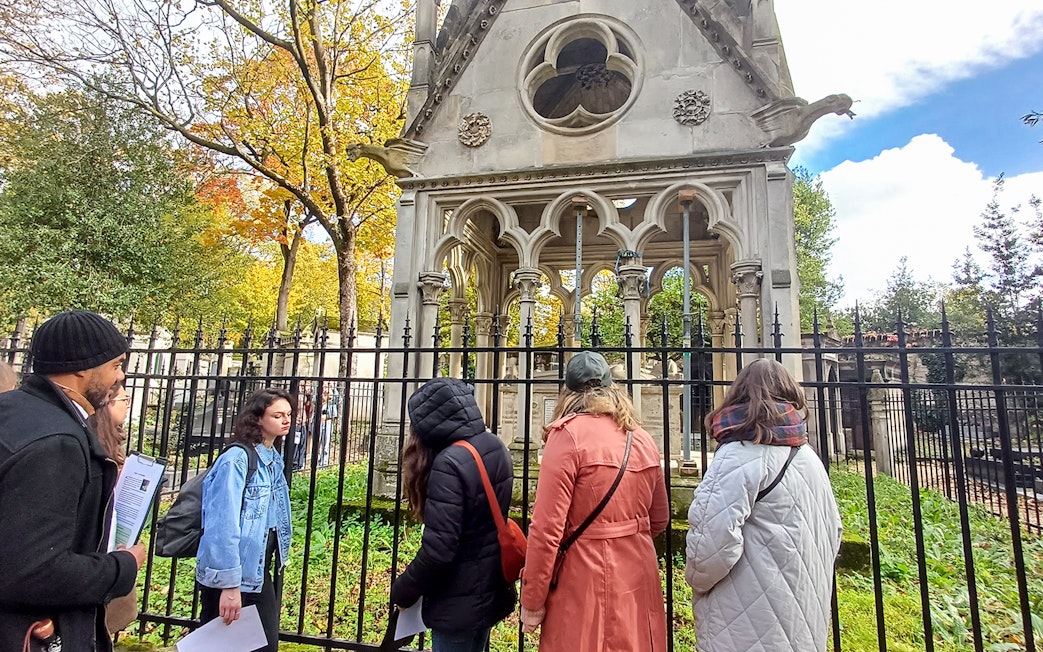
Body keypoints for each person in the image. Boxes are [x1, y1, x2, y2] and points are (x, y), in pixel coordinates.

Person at [0, 309, 146, 652]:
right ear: (82, 367)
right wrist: (122, 566)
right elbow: (35, 570)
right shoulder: (57, 441)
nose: (120, 376)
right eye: (115, 365)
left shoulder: (15, 412)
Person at [684, 358, 842, 652]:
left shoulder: (738, 454)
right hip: (804, 603)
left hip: (746, 614)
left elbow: (710, 544)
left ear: (737, 394)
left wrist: (696, 580)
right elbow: (833, 530)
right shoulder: (809, 457)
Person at [520, 351, 669, 651]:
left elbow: (546, 530)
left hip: (582, 579)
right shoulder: (640, 437)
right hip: (638, 576)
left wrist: (532, 601)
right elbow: (660, 518)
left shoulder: (566, 436)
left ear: (568, 392)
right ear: (612, 386)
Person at [390, 377, 517, 652]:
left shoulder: (449, 464)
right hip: (489, 588)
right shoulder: (494, 445)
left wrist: (403, 590)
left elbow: (439, 551)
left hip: (457, 599)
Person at [196, 388, 293, 652]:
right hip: (235, 576)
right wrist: (229, 585)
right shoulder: (237, 460)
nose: (286, 420)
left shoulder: (272, 459)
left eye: (288, 414)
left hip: (259, 571)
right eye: (277, 415)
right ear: (258, 419)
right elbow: (221, 525)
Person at [89, 385, 139, 635]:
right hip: (100, 561)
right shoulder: (93, 443)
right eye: (124, 399)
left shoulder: (111, 440)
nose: (128, 404)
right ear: (107, 404)